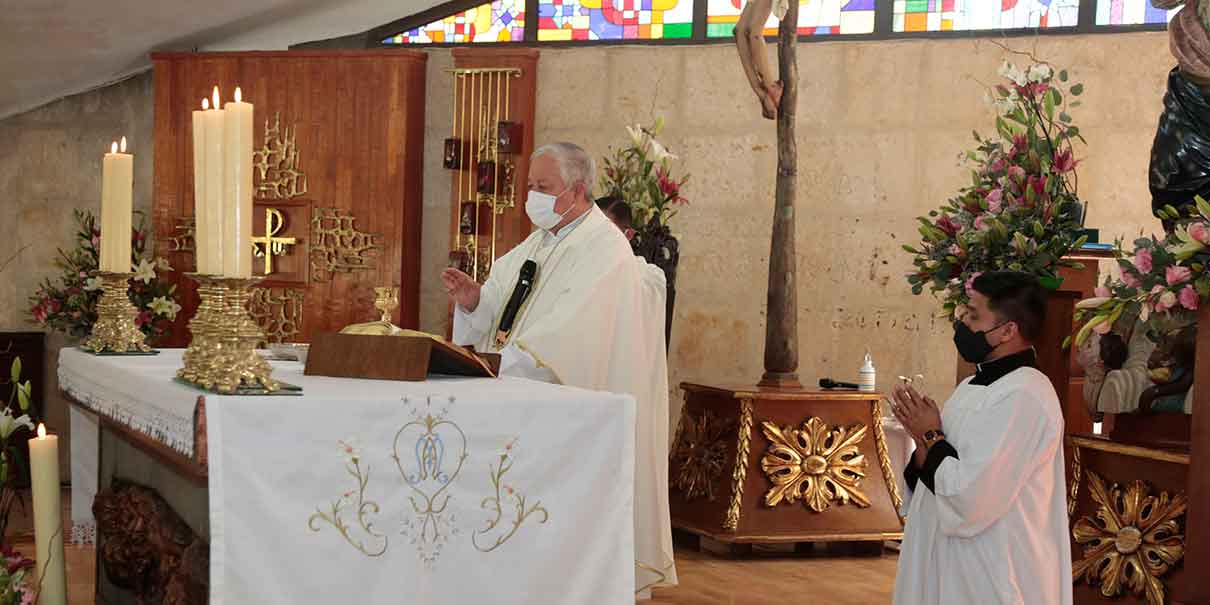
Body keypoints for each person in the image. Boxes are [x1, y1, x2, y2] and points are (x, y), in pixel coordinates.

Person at [441, 142, 676, 598]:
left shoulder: (603, 249)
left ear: (577, 190)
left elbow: (573, 333)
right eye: (530, 186)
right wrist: (475, 302)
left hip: (572, 403)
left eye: (543, 187)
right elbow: (502, 303)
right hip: (518, 386)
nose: (533, 196)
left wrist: (498, 364)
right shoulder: (543, 239)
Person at [890, 271, 1072, 605]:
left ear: (1007, 330)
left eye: (973, 316)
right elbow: (938, 466)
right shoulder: (972, 387)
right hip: (947, 556)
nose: (962, 325)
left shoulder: (1025, 394)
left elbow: (972, 497)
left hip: (991, 564)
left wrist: (930, 433)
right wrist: (922, 436)